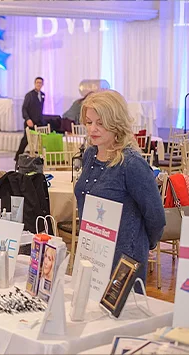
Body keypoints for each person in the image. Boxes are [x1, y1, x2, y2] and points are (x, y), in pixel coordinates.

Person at [74, 90, 166, 288]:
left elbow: (156, 216)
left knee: (122, 318)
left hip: (123, 260)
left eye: (100, 122)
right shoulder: (90, 155)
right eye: (89, 122)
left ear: (116, 123)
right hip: (92, 255)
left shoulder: (131, 164)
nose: (93, 129)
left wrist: (139, 244)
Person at [15, 77, 45, 162]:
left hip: (39, 121)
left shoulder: (43, 95)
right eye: (37, 82)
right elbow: (24, 108)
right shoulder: (29, 95)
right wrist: (27, 119)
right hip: (30, 121)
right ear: (35, 83)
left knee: (39, 140)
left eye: (40, 83)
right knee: (26, 139)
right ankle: (18, 156)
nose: (39, 84)